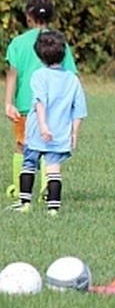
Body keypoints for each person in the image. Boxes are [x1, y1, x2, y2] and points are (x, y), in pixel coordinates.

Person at [4, 0, 77, 200]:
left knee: (22, 145)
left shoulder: (18, 42)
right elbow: (70, 73)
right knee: (50, 145)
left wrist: (8, 103)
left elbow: (12, 74)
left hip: (25, 105)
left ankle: (20, 189)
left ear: (28, 17)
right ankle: (47, 187)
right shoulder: (59, 41)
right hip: (53, 107)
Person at [11, 30, 87, 215]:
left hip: (38, 130)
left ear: (39, 55)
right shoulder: (72, 79)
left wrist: (43, 125)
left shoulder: (39, 75)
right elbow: (79, 110)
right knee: (54, 169)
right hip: (61, 131)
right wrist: (74, 133)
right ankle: (53, 207)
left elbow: (40, 102)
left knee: (29, 164)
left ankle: (25, 203)